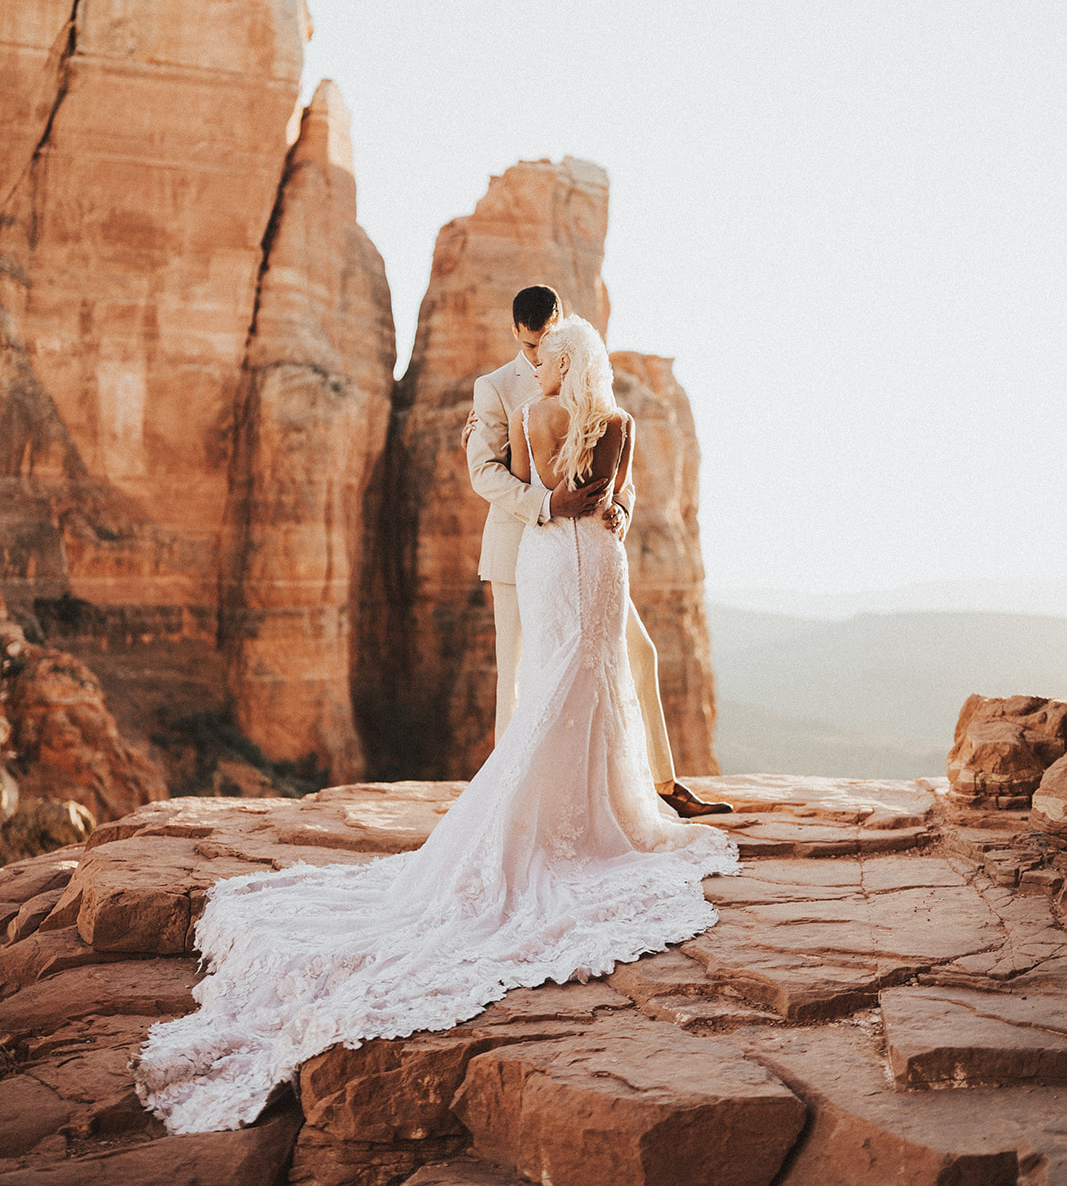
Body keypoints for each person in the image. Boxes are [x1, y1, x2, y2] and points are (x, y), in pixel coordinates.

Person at [133, 316, 738, 1136]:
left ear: (558, 359)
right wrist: (596, 508)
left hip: (547, 553)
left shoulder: (531, 415)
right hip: (588, 553)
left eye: (548, 356)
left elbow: (538, 493)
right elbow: (608, 498)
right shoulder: (616, 424)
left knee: (562, 677)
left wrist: (560, 507)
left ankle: (545, 798)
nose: (539, 364)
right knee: (583, 679)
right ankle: (603, 806)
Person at [465, 285, 732, 817]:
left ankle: (662, 786)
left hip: (588, 547)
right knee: (516, 678)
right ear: (515, 334)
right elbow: (483, 472)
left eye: (547, 339)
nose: (541, 353)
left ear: (561, 324)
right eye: (531, 342)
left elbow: (615, 462)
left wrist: (621, 509)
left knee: (639, 652)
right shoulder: (495, 388)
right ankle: (506, 810)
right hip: (525, 545)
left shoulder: (585, 369)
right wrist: (549, 503)